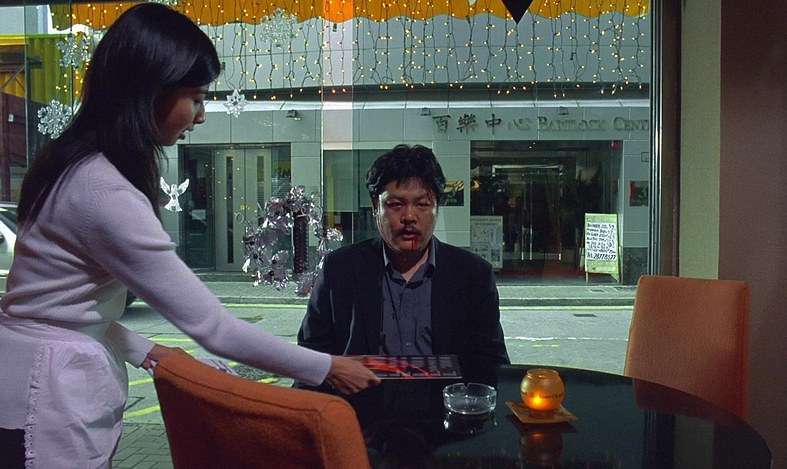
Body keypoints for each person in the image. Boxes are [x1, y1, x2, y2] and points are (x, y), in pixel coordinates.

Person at [0, 4, 378, 468]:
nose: (200, 116)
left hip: (29, 382)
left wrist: (150, 350)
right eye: (196, 98)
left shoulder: (73, 166)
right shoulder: (105, 191)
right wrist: (329, 367)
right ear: (150, 91)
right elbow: (214, 327)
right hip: (48, 395)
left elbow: (60, 308)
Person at [297, 144, 510, 390]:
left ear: (437, 207)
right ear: (375, 206)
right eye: (396, 205)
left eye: (422, 204)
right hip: (359, 409)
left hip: (446, 410)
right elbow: (311, 359)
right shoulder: (340, 269)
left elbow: (491, 365)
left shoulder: (472, 274)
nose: (409, 217)